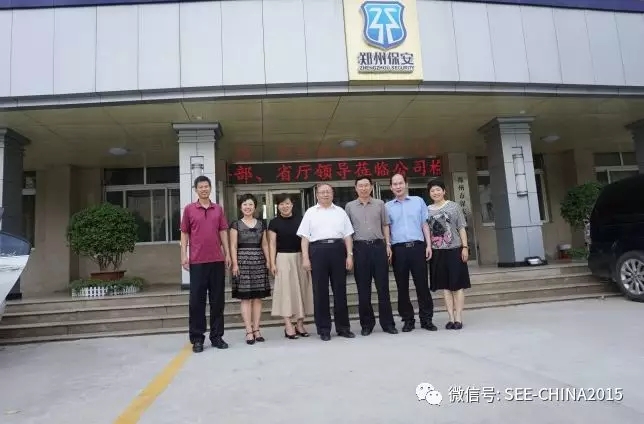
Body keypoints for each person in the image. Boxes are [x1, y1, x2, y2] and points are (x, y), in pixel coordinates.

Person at [297, 183, 355, 341]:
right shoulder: (310, 212)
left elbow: (348, 236)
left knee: (340, 291)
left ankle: (343, 328)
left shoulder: (340, 212)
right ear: (317, 195)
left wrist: (349, 255)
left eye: (328, 192)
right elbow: (304, 238)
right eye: (322, 192)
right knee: (320, 292)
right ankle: (324, 329)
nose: (325, 194)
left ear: (332, 194)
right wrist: (305, 258)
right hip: (318, 251)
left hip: (338, 250)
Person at [180, 175, 232, 353]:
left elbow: (223, 231)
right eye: (200, 187)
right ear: (196, 190)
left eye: (206, 186)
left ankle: (217, 337)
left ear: (210, 188)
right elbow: (184, 233)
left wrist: (227, 253)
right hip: (197, 262)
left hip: (217, 260)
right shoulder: (189, 209)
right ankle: (197, 339)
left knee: (218, 301)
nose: (204, 189)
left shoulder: (218, 209)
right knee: (197, 302)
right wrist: (184, 255)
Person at [345, 176, 397, 336]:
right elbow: (347, 232)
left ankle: (388, 324)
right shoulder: (349, 206)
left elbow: (385, 225)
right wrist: (350, 253)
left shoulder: (380, 204)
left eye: (366, 185)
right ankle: (366, 324)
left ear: (371, 187)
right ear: (355, 188)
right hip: (360, 249)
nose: (363, 188)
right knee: (363, 289)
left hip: (378, 247)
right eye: (360, 186)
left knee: (383, 288)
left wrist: (388, 244)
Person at [385, 173, 437, 332]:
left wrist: (429, 245)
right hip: (398, 249)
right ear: (391, 187)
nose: (398, 186)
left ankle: (426, 319)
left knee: (422, 285)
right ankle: (408, 320)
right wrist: (388, 246)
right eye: (395, 184)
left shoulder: (418, 201)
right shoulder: (387, 207)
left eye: (400, 183)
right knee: (402, 287)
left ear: (406, 184)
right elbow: (387, 228)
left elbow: (424, 225)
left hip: (417, 247)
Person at [427, 179, 471, 330]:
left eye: (438, 189)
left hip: (455, 249)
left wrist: (465, 247)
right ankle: (451, 318)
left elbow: (461, 227)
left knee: (457, 286)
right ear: (429, 193)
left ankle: (458, 318)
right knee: (445, 287)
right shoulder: (427, 210)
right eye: (432, 191)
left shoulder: (454, 206)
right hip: (438, 252)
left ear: (444, 191)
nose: (435, 193)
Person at [268, 193, 314, 339]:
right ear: (278, 206)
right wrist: (272, 263)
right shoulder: (274, 222)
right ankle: (288, 325)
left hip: (300, 257)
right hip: (282, 258)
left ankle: (300, 324)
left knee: (302, 290)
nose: (285, 206)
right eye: (282, 204)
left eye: (287, 203)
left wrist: (307, 259)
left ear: (292, 204)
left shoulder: (301, 220)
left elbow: (306, 240)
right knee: (286, 292)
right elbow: (272, 244)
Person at [230, 194, 272, 345]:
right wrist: (235, 264)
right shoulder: (236, 224)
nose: (247, 207)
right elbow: (233, 246)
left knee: (258, 298)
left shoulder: (261, 224)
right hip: (242, 262)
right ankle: (248, 330)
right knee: (246, 298)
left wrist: (269, 261)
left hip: (259, 262)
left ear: (255, 207)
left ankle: (257, 329)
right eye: (245, 204)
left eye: (250, 204)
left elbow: (265, 244)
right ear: (240, 207)